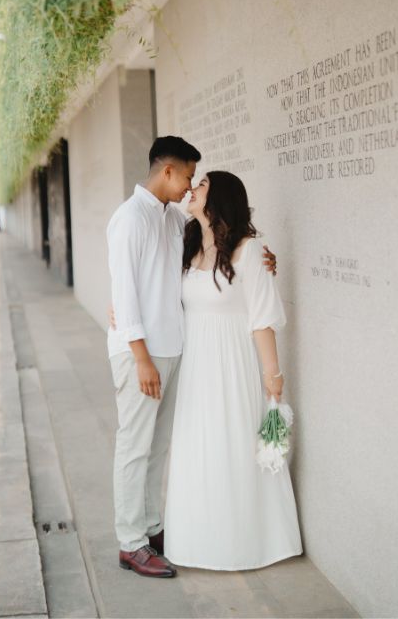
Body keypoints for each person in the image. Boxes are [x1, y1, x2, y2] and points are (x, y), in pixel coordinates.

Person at [106, 137, 277, 578]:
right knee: (134, 446)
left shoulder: (171, 220)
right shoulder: (130, 218)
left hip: (172, 349)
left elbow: (221, 254)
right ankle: (130, 543)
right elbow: (124, 292)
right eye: (188, 176)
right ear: (168, 171)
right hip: (142, 354)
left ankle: (150, 527)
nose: (189, 185)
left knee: (157, 446)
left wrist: (261, 261)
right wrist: (140, 357)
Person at [164, 170, 303, 570]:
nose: (192, 189)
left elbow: (262, 319)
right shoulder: (187, 243)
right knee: (198, 449)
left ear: (219, 199)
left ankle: (247, 542)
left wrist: (273, 376)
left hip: (233, 365)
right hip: (197, 366)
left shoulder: (251, 251)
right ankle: (197, 541)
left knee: (234, 446)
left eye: (202, 185)